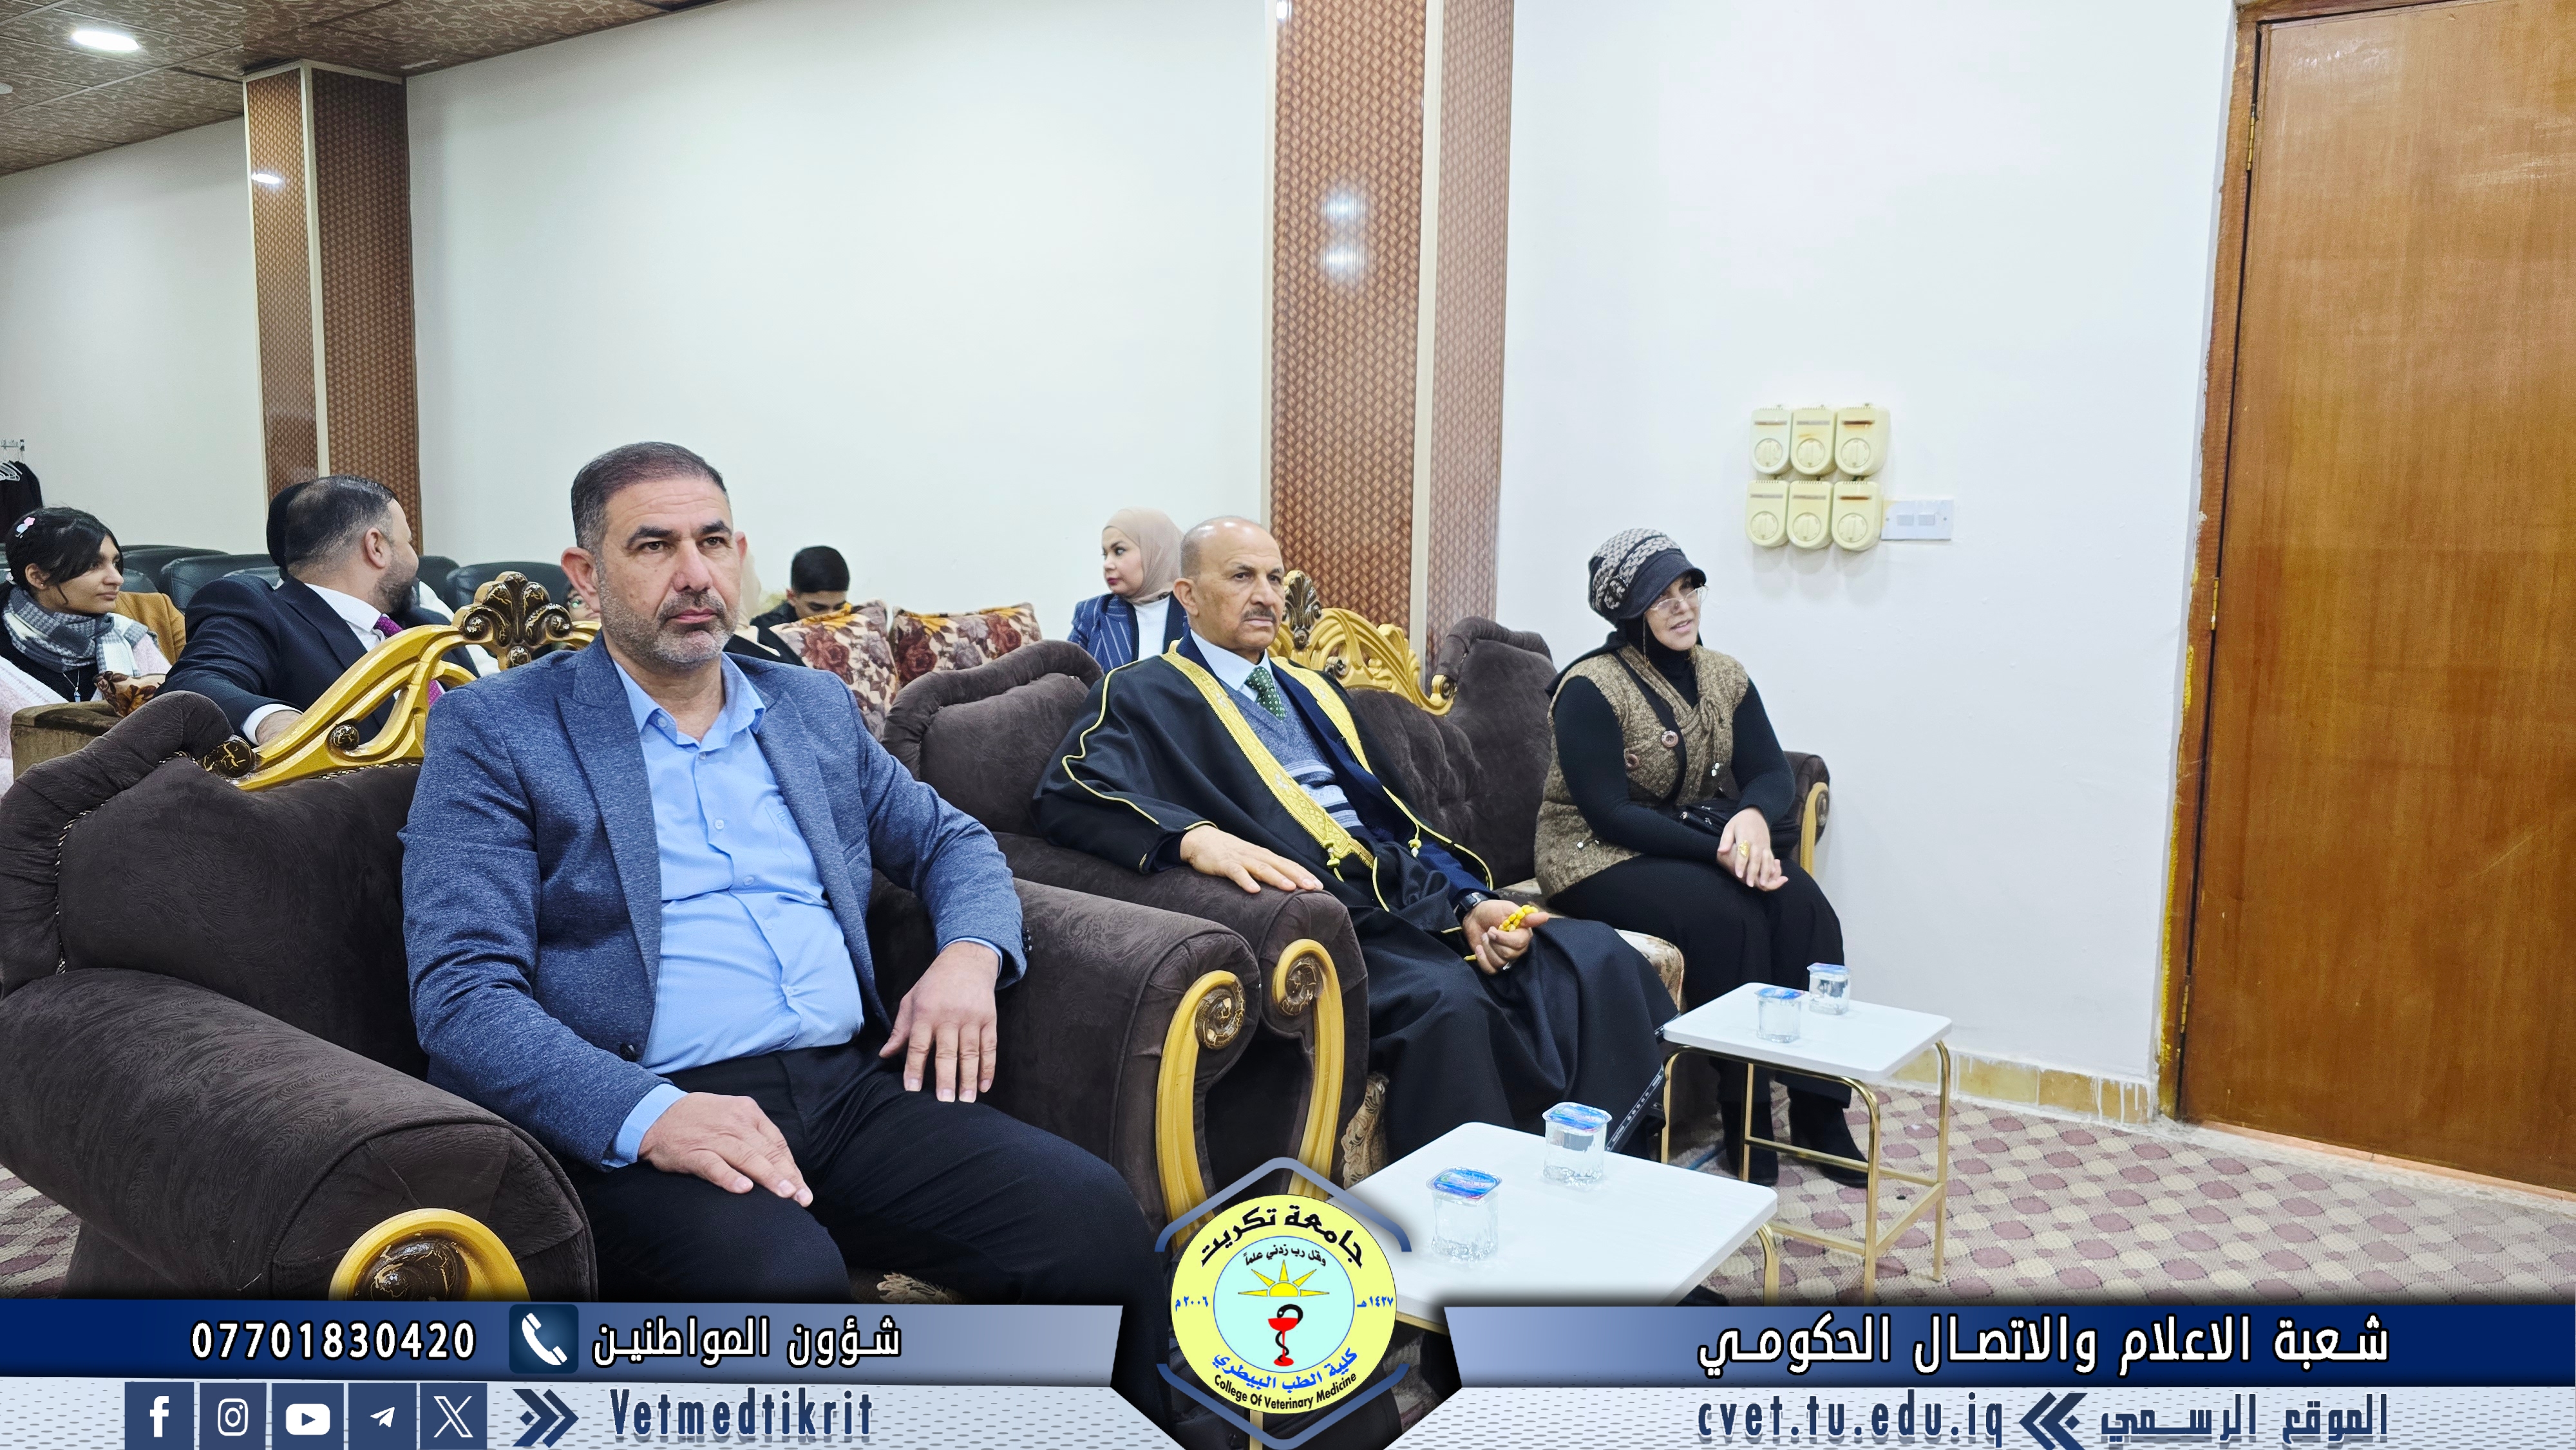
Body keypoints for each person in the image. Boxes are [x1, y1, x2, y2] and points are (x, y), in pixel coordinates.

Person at [400, 442, 1169, 1429]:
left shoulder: (808, 706)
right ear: (585, 576)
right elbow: (462, 993)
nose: (695, 574)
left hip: (849, 1091)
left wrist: (970, 955)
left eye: (714, 541)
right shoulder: (500, 730)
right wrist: (652, 1115)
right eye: (654, 546)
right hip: (646, 1114)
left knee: (1090, 1217)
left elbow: (953, 842)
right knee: (784, 1290)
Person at [1035, 516, 1676, 1160]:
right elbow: (1068, 790)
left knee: (1594, 953)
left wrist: (1468, 901)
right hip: (1322, 916)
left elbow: (1398, 821)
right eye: (1241, 576)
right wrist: (1192, 838)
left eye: (1274, 578)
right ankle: (1480, 1200)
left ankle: (1601, 1169)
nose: (1266, 595)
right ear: (1188, 595)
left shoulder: (1313, 687)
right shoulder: (1142, 692)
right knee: (1449, 1004)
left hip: (1404, 892)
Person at [1535, 529, 1865, 1185]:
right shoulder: (1589, 687)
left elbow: (1769, 770)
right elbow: (1609, 812)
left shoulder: (1723, 674)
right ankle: (1745, 1116)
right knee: (1727, 917)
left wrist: (1752, 818)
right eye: (1662, 596)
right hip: (1592, 855)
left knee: (1802, 903)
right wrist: (1725, 851)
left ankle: (1818, 1108)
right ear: (1628, 609)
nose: (1683, 605)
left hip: (1682, 838)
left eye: (1688, 588)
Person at [166, 476, 469, 745]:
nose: (415, 559)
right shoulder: (258, 609)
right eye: (408, 543)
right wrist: (273, 720)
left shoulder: (428, 626)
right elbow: (194, 684)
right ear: (376, 547)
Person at [0, 509, 170, 786]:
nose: (117, 578)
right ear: (38, 577)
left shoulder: (130, 637)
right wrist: (83, 779)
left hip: (140, 797)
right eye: (93, 565)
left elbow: (175, 722)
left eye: (115, 563)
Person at [1066, 508, 1189, 668]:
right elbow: (1067, 678)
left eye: (1119, 551)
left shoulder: (1197, 613)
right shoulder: (1093, 613)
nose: (1107, 564)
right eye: (1105, 555)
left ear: (1155, 551)